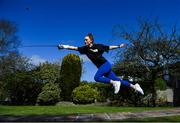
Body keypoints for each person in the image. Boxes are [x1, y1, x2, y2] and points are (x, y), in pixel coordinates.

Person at [58, 33, 144, 95]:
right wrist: (64, 46)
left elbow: (109, 47)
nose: (84, 41)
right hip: (103, 68)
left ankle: (114, 83)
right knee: (118, 80)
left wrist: (119, 46)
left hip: (105, 65)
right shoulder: (84, 49)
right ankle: (135, 86)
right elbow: (74, 48)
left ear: (91, 40)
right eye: (84, 40)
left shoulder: (98, 46)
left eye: (86, 39)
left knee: (97, 78)